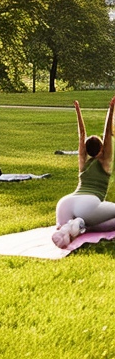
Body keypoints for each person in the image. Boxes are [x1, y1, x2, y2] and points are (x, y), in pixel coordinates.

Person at [52, 97, 115, 247]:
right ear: (101, 149)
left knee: (65, 226)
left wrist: (78, 110)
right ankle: (83, 226)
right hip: (88, 205)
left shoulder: (83, 162)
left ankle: (70, 227)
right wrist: (111, 109)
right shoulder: (104, 161)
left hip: (65, 204)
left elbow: (81, 135)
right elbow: (107, 135)